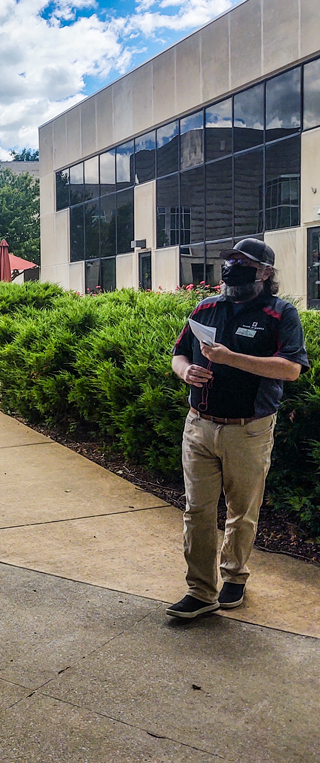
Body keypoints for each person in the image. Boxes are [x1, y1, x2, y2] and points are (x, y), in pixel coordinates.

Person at [167, 238, 308, 619]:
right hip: (199, 426)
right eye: (229, 259)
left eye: (242, 261)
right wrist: (186, 372)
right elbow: (178, 354)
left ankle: (234, 577)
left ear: (265, 272)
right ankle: (200, 590)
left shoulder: (280, 314)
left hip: (249, 430)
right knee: (196, 510)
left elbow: (291, 369)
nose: (231, 266)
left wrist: (232, 358)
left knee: (241, 511)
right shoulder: (205, 308)